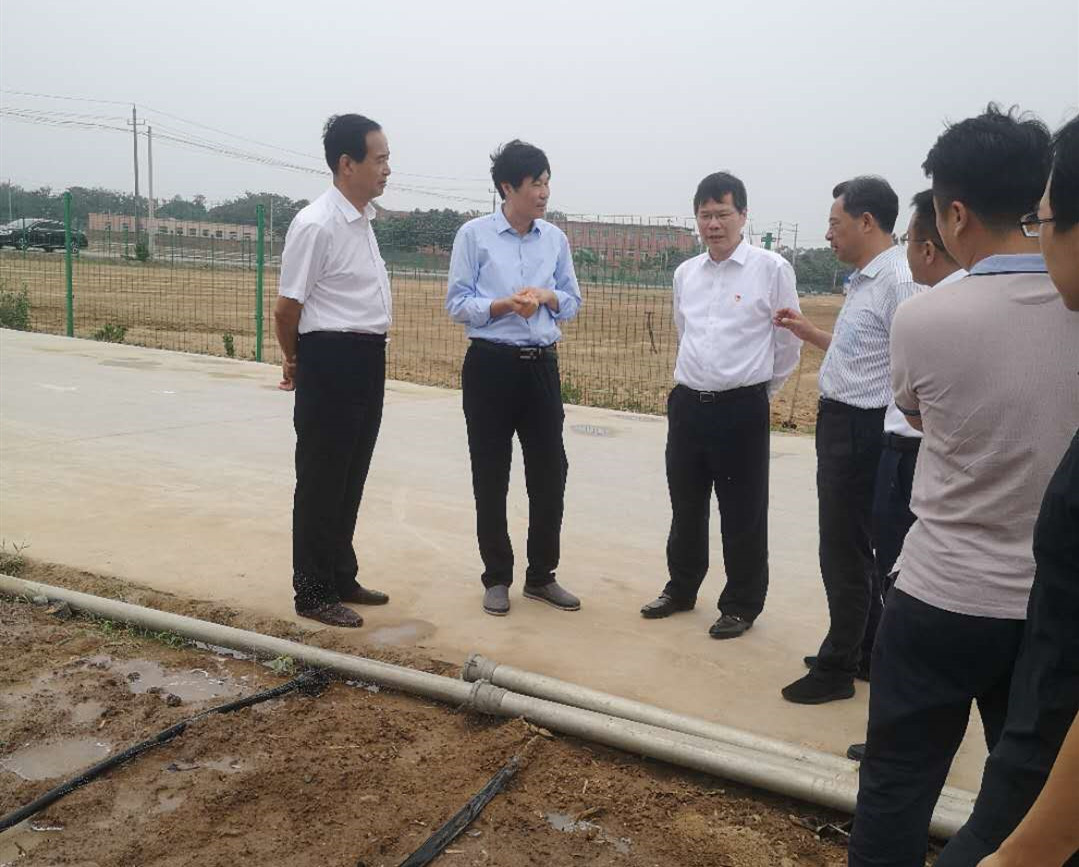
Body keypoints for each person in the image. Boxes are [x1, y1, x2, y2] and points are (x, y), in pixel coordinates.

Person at [849, 104, 1079, 867]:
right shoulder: (1073, 306)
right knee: (1019, 802)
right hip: (1046, 617)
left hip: (938, 594)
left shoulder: (925, 318)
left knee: (894, 783)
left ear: (953, 214)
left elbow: (917, 415)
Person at [933, 114, 1079, 867]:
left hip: (1045, 786)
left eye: (1045, 220)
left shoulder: (924, 314)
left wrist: (1031, 847)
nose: (1041, 237)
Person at [774, 176, 919, 704]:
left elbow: (912, 364)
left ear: (866, 222)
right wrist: (811, 335)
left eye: (835, 223)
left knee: (843, 548)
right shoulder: (866, 279)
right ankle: (864, 650)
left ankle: (838, 666)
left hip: (865, 429)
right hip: (844, 422)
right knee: (852, 545)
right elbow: (868, 353)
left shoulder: (899, 281)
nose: (828, 233)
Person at [639, 172, 800, 639]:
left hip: (742, 408)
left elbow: (788, 343)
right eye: (705, 215)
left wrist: (759, 393)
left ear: (743, 215)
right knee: (686, 504)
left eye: (723, 214)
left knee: (743, 510)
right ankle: (681, 588)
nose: (713, 224)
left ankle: (741, 604)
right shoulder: (686, 273)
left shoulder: (771, 269)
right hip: (689, 405)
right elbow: (684, 331)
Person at [845, 191, 967, 762]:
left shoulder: (926, 310)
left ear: (929, 247)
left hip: (911, 453)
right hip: (925, 455)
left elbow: (912, 403)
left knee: (901, 585)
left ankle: (896, 737)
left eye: (912, 240)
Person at [446, 140, 582, 617]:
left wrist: (547, 296)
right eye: (535, 184)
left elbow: (572, 301)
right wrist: (503, 305)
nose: (543, 192)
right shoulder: (474, 236)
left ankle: (542, 575)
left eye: (547, 183)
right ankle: (497, 577)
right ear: (508, 187)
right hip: (490, 366)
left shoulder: (555, 240)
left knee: (550, 472)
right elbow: (457, 303)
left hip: (541, 366)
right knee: (491, 473)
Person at [274, 114, 393, 628]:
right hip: (330, 359)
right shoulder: (316, 224)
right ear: (348, 164)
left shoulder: (362, 221)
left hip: (367, 358)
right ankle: (313, 590)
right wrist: (294, 359)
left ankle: (341, 575)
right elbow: (287, 309)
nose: (387, 169)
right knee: (322, 478)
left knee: (351, 474)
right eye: (379, 159)